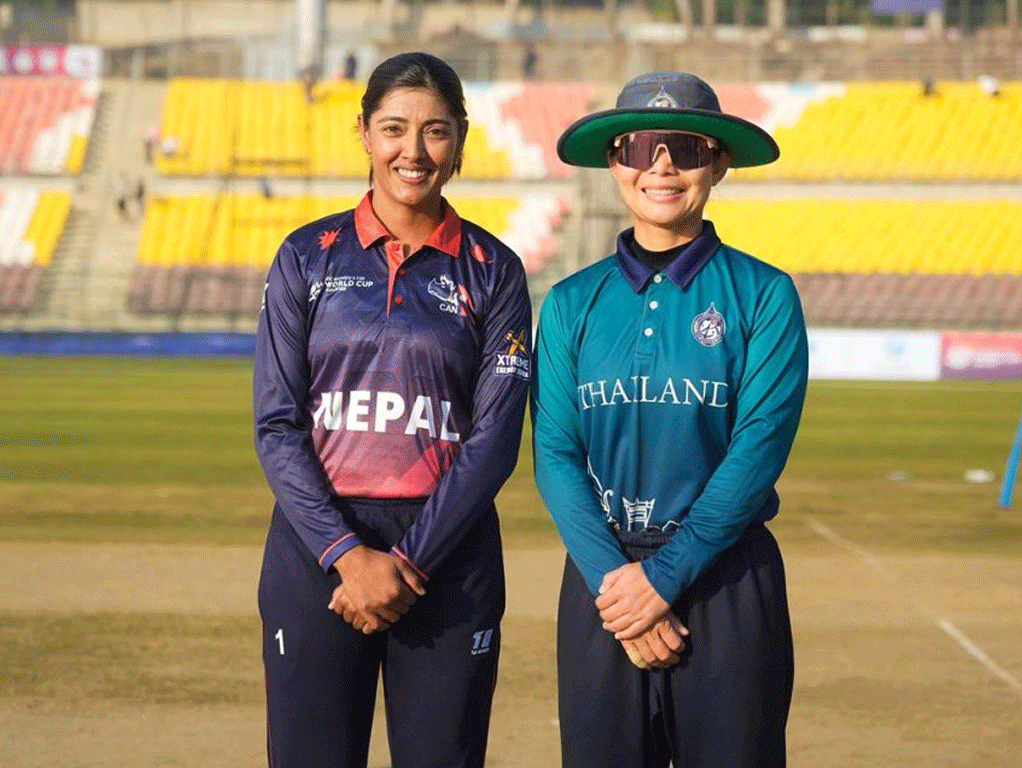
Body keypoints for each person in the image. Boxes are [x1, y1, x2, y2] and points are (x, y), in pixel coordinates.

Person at [254, 51, 532, 768]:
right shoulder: (305, 256)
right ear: (364, 133)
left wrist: (407, 562)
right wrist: (348, 556)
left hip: (447, 556)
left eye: (436, 131)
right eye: (394, 128)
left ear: (460, 139)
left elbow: (495, 438)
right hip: (319, 552)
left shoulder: (494, 269)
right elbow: (277, 426)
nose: (414, 151)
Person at [531, 71, 808, 768]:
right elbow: (555, 454)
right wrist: (619, 587)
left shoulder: (765, 294)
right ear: (614, 161)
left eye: (684, 149)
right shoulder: (569, 303)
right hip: (603, 582)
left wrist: (663, 579)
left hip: (725, 580)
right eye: (640, 148)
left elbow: (756, 452)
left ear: (718, 163)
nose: (661, 167)